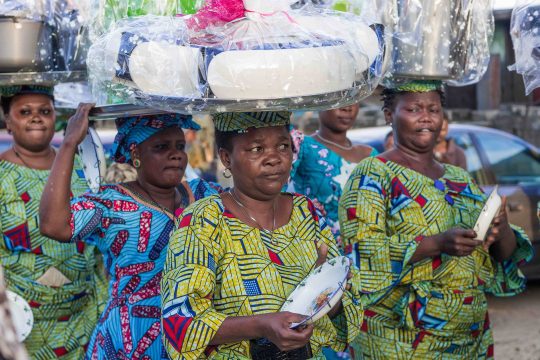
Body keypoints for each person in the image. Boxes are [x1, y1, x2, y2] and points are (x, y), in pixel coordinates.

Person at [339, 81, 533, 359]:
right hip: (399, 339)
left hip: (469, 335)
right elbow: (360, 256)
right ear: (390, 115)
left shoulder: (460, 178)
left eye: (434, 108)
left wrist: (501, 230)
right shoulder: (373, 174)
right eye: (414, 109)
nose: (426, 116)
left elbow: (501, 257)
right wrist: (438, 243)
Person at [161, 111, 362, 359]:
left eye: (282, 146)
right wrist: (262, 325)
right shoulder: (204, 220)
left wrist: (325, 290)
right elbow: (180, 322)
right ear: (226, 158)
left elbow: (347, 308)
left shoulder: (307, 212)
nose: (274, 158)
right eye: (256, 149)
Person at [39, 106, 218, 359]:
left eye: (180, 146)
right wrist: (69, 143)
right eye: (161, 147)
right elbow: (53, 225)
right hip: (129, 340)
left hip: (193, 336)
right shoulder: (110, 203)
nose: (176, 155)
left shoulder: (202, 195)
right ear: (136, 152)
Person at [0, 86, 106, 358]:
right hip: (21, 322)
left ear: (55, 118)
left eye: (44, 111)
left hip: (83, 318)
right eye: (25, 112)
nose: (36, 118)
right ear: (8, 121)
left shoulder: (82, 171)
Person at [288, 104, 377, 247]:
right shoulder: (304, 146)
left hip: (368, 254)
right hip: (320, 253)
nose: (347, 107)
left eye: (353, 99)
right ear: (322, 100)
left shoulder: (370, 154)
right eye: (339, 99)